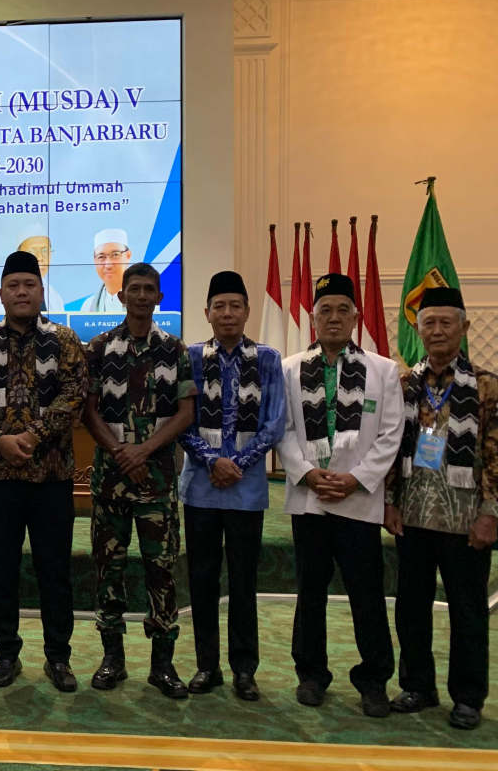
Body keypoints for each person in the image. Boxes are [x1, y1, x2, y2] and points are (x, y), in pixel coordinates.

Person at [278, 272, 404, 718]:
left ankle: (374, 681)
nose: (333, 318)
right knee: (310, 593)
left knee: (366, 595)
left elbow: (391, 434)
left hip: (358, 500)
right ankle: (311, 675)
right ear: (313, 317)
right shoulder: (289, 368)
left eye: (342, 310)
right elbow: (282, 429)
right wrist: (307, 473)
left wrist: (356, 479)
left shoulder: (383, 370)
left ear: (356, 317)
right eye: (325, 310)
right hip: (309, 499)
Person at [0, 252, 87, 691]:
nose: (21, 292)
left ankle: (59, 658)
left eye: (29, 285)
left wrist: (32, 436)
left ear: (41, 291)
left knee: (55, 571)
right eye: (13, 285)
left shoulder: (65, 340)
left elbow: (73, 394)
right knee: (1, 570)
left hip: (51, 478)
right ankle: (6, 655)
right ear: (1, 293)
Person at [383, 286, 496, 730]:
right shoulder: (403, 384)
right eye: (428, 322)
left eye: (446, 322)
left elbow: (495, 454)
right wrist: (390, 501)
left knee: (468, 611)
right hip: (412, 514)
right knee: (411, 606)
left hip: (464, 519)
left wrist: (490, 513)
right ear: (418, 329)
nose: (437, 331)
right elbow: (391, 448)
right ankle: (418, 686)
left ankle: (468, 697)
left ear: (464, 327)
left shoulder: (486, 386)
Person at [82, 262, 196, 699]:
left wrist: (143, 450)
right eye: (135, 289)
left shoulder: (174, 349)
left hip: (157, 481)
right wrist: (120, 451)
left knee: (161, 570)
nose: (142, 296)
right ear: (121, 295)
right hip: (111, 480)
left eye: (150, 289)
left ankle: (162, 665)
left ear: (160, 298)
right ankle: (112, 659)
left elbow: (186, 412)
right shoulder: (99, 348)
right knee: (108, 569)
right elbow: (89, 411)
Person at [177, 271, 286, 701]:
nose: (227, 313)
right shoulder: (189, 357)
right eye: (219, 306)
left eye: (235, 306)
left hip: (246, 490)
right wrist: (212, 461)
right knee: (202, 580)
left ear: (247, 311)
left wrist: (235, 463)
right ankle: (207, 666)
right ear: (207, 312)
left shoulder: (268, 359)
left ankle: (244, 670)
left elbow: (274, 423)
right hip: (200, 488)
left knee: (243, 582)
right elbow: (180, 420)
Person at [0, 228, 66, 313]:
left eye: (45, 251)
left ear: (41, 293)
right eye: (31, 251)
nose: (40, 258)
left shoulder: (55, 296)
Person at [77, 229, 131, 314]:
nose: (108, 265)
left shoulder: (147, 302)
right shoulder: (88, 307)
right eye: (101, 257)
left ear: (128, 256)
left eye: (115, 255)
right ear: (95, 261)